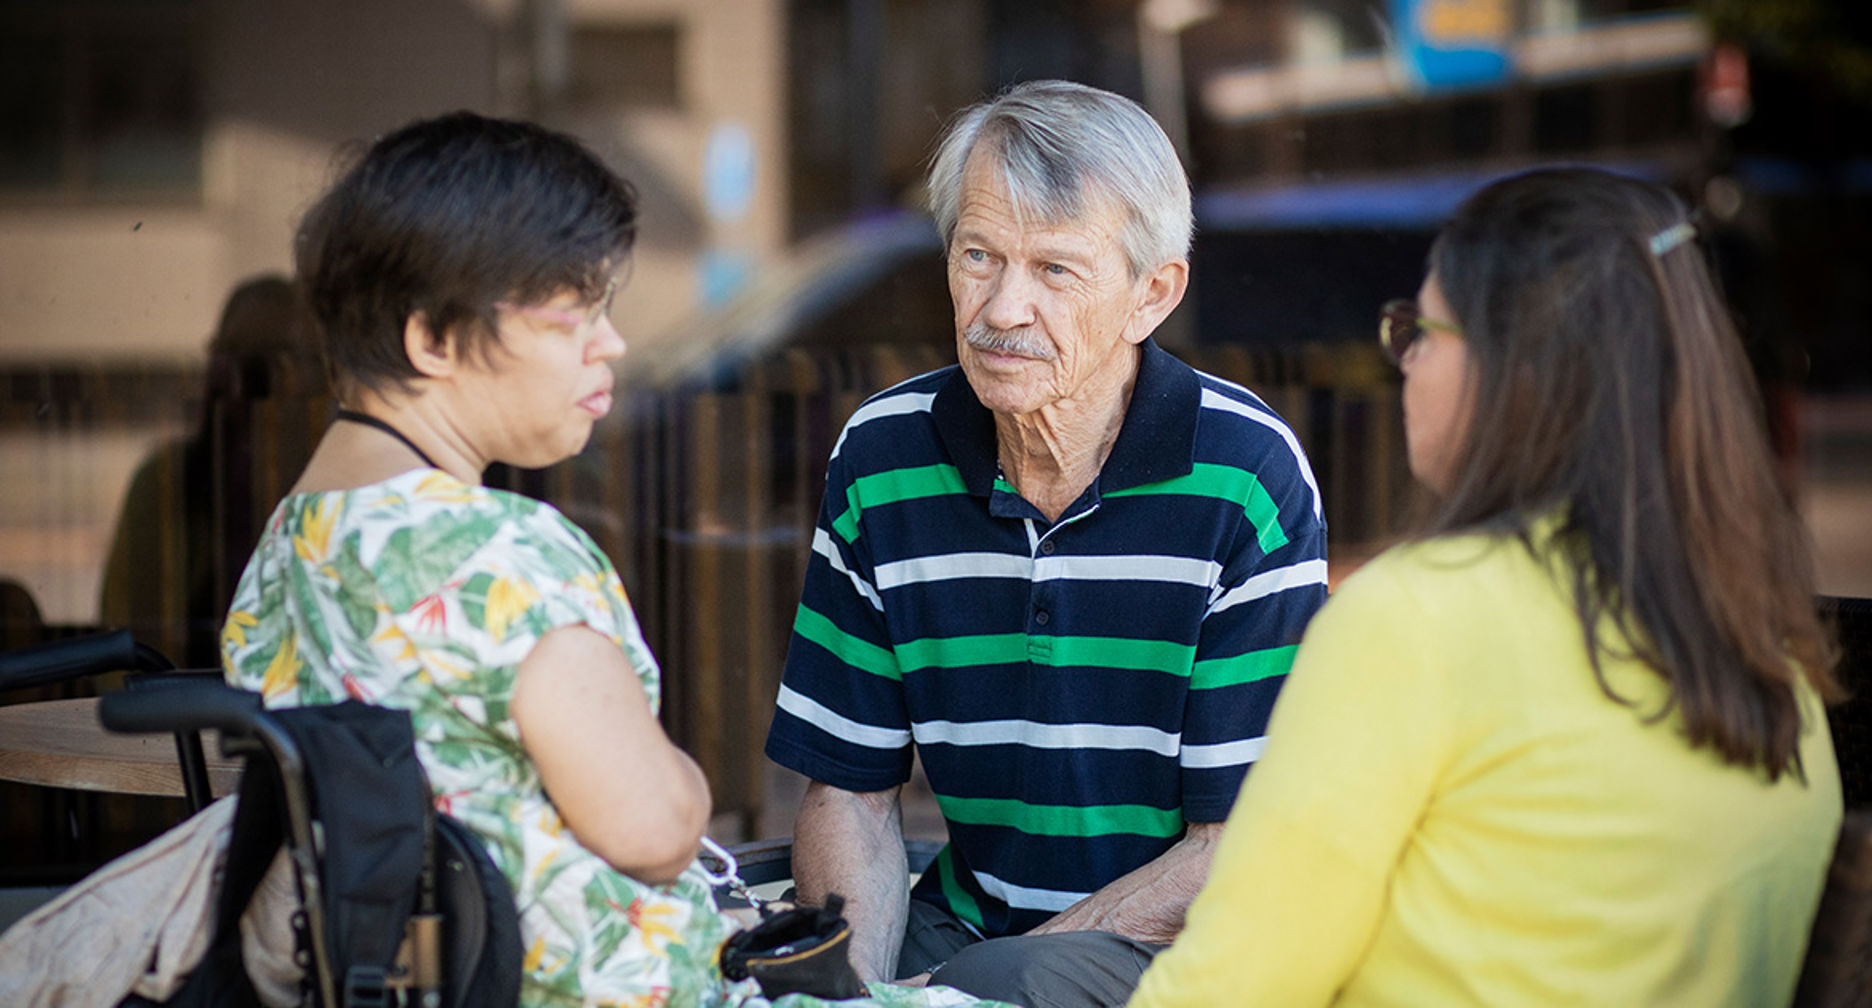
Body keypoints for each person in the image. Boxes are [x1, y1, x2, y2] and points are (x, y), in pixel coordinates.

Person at [219, 111, 994, 1008]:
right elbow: (657, 829)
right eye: (570, 314)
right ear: (430, 338)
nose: (611, 343)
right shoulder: (508, 554)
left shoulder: (286, 551)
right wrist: (685, 779)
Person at [1130, 167, 1843, 1008]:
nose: (1405, 364)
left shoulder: (1415, 618)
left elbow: (1233, 988)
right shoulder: (1765, 643)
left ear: (1515, 372)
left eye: (1420, 330)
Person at [764, 80, 1329, 1007]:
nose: (1003, 308)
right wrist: (856, 994)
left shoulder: (1242, 474)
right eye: (978, 255)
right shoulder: (883, 455)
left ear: (1153, 293)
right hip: (969, 919)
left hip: (1176, 949)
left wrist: (959, 990)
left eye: (1055, 270)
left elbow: (1236, 846)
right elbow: (851, 794)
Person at [100, 273, 326, 669]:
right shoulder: (166, 484)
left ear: (319, 376)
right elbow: (126, 645)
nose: (241, 382)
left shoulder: (337, 486)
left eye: (270, 364)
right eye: (228, 357)